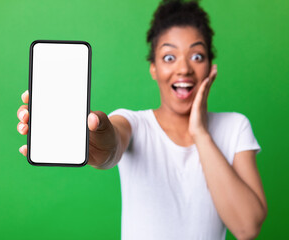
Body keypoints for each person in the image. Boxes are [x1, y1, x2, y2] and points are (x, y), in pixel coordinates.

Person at [17, 0, 267, 239]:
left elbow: (247, 228)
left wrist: (200, 132)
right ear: (154, 68)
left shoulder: (235, 127)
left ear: (211, 68)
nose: (184, 69)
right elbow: (112, 145)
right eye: (169, 57)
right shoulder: (134, 124)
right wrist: (98, 143)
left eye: (197, 56)